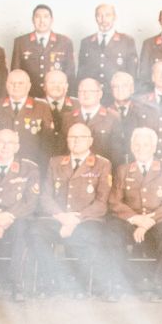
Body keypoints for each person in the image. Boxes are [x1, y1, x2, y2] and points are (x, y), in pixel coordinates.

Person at [33, 123, 113, 297]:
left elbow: (102, 203)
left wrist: (76, 219)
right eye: (72, 137)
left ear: (90, 141)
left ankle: (81, 284)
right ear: (67, 140)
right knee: (36, 233)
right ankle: (52, 280)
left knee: (85, 236)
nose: (76, 141)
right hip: (59, 218)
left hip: (86, 219)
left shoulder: (102, 164)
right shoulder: (55, 162)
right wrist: (62, 217)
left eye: (81, 137)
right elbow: (45, 196)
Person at [109, 127, 162, 301]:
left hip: (158, 220)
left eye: (146, 145)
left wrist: (150, 220)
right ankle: (119, 283)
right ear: (132, 147)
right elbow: (114, 201)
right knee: (112, 232)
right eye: (137, 145)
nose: (141, 149)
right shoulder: (123, 170)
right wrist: (136, 219)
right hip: (131, 219)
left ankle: (160, 284)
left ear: (154, 147)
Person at [0, 128, 42, 302]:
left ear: (17, 147)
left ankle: (16, 283)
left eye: (10, 143)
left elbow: (30, 202)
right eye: (1, 142)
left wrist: (6, 219)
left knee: (22, 231)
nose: (5, 146)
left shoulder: (29, 169)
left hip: (16, 219)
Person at [13, 4, 74, 94]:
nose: (42, 21)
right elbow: (15, 73)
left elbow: (70, 74)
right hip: (30, 95)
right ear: (32, 20)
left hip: (56, 95)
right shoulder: (21, 42)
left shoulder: (64, 42)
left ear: (51, 20)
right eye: (38, 17)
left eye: (46, 17)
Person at [77, 4, 138, 88]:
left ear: (114, 17)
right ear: (95, 18)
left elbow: (132, 74)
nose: (104, 20)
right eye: (99, 16)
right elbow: (81, 75)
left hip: (117, 93)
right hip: (93, 93)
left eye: (108, 15)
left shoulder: (127, 41)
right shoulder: (86, 42)